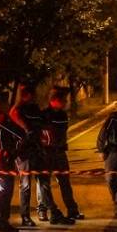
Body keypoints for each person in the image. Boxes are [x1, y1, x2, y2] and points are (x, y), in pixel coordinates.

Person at [9, 83, 73, 226]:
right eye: (31, 95)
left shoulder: (35, 109)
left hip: (37, 150)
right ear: (26, 95)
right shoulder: (18, 110)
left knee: (44, 183)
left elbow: (43, 125)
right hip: (24, 152)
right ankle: (25, 217)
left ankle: (53, 213)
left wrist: (45, 137)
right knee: (26, 185)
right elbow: (19, 123)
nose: (34, 98)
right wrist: (28, 130)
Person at [41, 87, 82, 220]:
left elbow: (62, 132)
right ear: (54, 100)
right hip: (47, 153)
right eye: (63, 100)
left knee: (65, 182)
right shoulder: (44, 115)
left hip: (60, 152)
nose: (66, 102)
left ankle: (72, 210)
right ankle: (49, 210)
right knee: (44, 184)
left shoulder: (63, 115)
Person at [0, 91, 24, 232]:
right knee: (6, 192)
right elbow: (20, 133)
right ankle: (3, 222)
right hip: (5, 158)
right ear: (3, 103)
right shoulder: (3, 119)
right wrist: (15, 151)